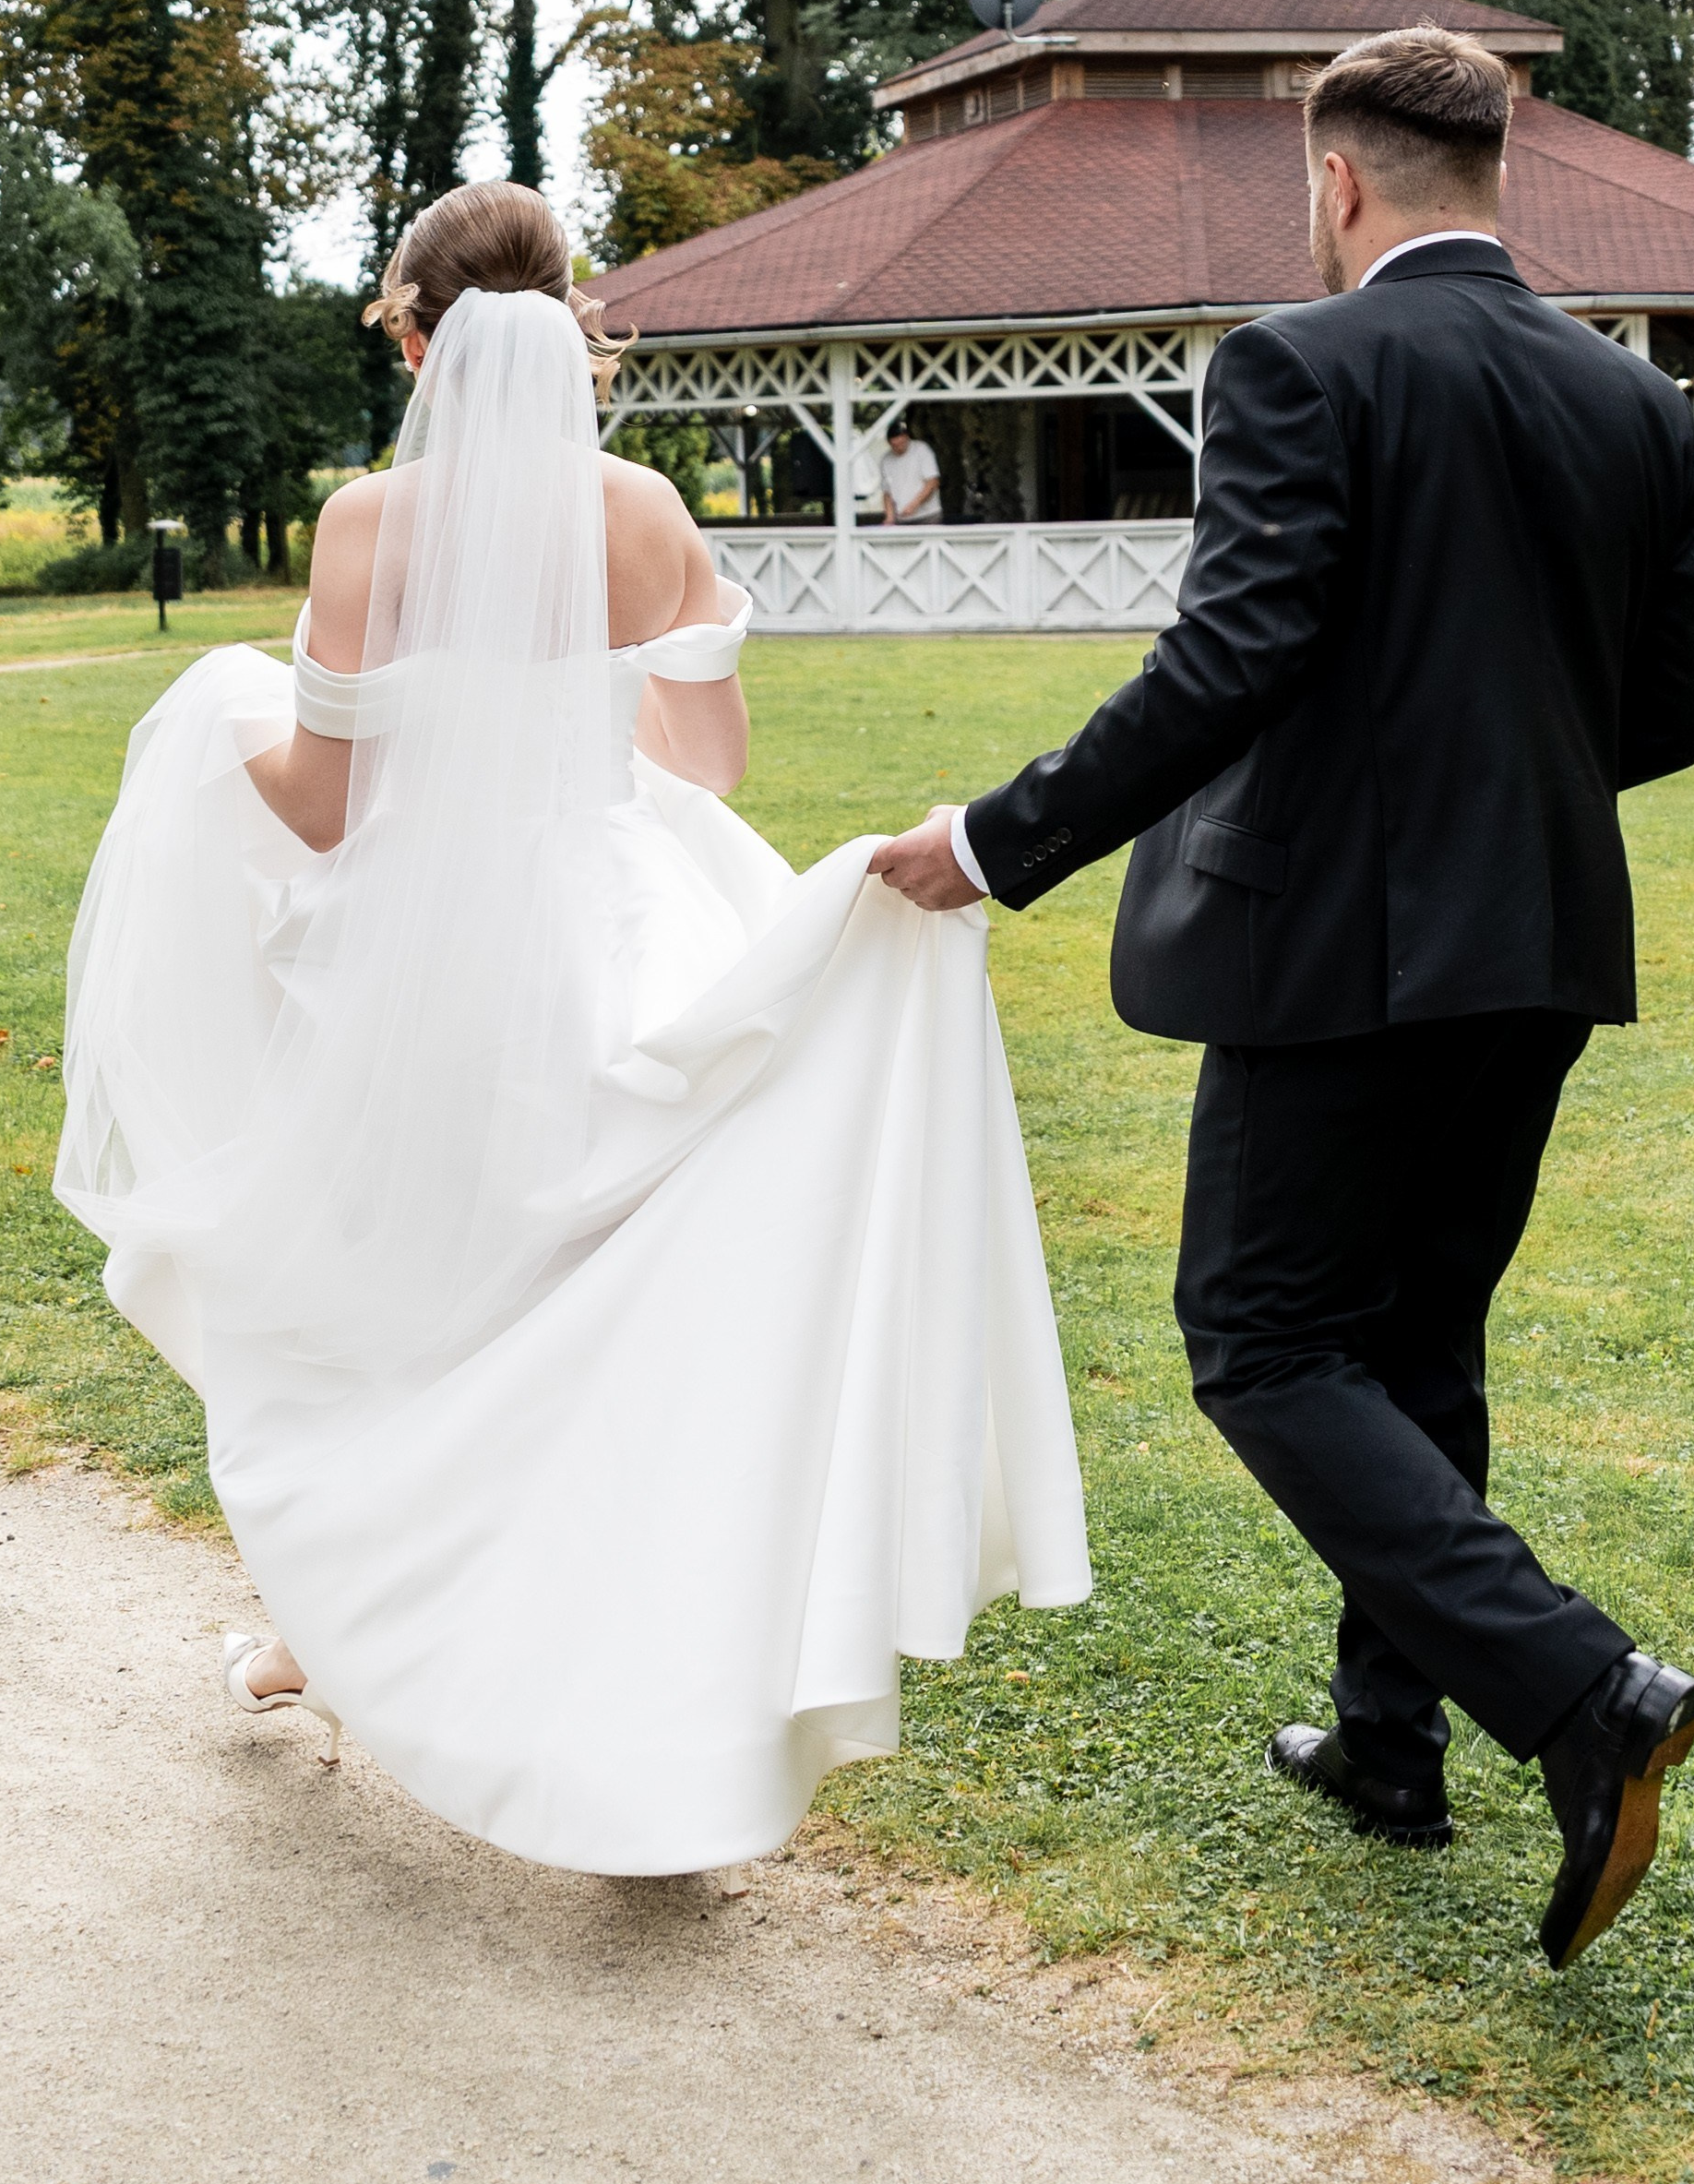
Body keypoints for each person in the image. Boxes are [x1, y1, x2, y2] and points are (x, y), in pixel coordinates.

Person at [55, 186, 1088, 1874]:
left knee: (385, 1311)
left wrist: (218, 721)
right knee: (580, 1325)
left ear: (414, 338)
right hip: (621, 939)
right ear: (575, 329)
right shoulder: (646, 508)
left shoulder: (362, 526)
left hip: (414, 968)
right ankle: (451, 1663)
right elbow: (714, 763)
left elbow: (320, 811)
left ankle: (335, 1619)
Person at [875, 28, 1694, 1970]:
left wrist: (998, 842)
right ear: (1489, 170)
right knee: (1414, 1344)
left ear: (1336, 183)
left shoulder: (1293, 361)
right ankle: (1383, 1743)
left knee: (1261, 1340)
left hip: (1336, 949)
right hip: (1540, 946)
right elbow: (1656, 720)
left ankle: (1579, 1693)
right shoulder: (1628, 399)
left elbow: (1227, 660)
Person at [879, 422, 943, 524]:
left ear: (907, 437)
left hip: (927, 516)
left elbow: (932, 482)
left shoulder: (922, 450)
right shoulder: (886, 460)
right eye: (895, 446)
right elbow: (887, 492)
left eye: (901, 444)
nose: (899, 448)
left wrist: (913, 505)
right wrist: (889, 518)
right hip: (902, 519)